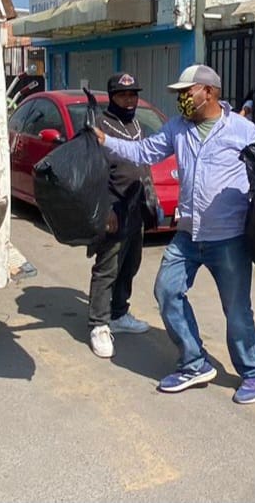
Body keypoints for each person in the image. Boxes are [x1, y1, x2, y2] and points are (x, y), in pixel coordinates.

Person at [93, 63, 255, 404]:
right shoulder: (178, 128)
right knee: (167, 290)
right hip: (188, 235)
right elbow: (143, 152)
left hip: (229, 237)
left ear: (209, 92)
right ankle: (194, 361)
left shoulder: (242, 130)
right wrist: (105, 141)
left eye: (186, 92)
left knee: (236, 310)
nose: (181, 99)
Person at [87, 72, 155, 359]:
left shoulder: (136, 124)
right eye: (123, 95)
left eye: (133, 94)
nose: (129, 99)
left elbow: (144, 161)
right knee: (108, 268)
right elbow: (93, 173)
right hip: (114, 209)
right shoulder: (100, 126)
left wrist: (151, 201)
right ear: (111, 97)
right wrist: (105, 209)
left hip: (136, 206)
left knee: (131, 263)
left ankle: (119, 313)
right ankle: (99, 325)